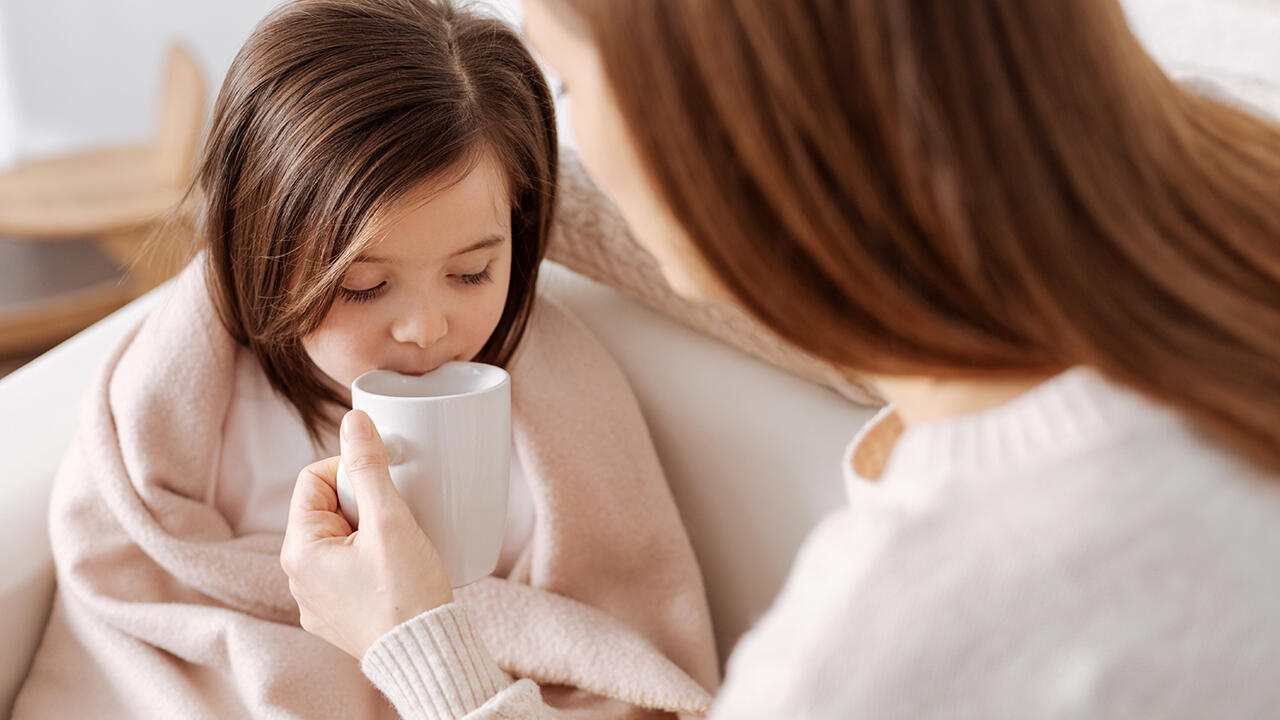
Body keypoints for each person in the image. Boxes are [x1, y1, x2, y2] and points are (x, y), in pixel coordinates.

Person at [282, 0, 1280, 718]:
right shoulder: (1239, 201)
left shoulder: (882, 641)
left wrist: (420, 654)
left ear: (713, 122)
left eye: (568, 82)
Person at [12, 1, 717, 717]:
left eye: (472, 272)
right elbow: (130, 614)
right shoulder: (182, 413)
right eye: (364, 286)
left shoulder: (564, 413)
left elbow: (623, 664)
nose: (425, 326)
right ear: (259, 258)